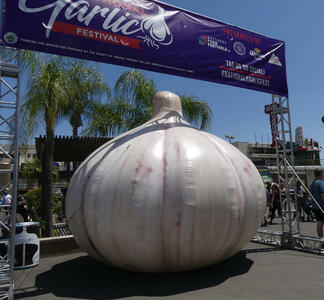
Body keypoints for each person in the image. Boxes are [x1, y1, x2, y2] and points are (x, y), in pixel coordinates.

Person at [309, 169, 324, 238]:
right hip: (322, 206)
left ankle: (321, 240)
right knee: (320, 223)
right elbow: (323, 195)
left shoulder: (311, 184)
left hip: (315, 206)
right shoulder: (320, 183)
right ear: (321, 174)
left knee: (319, 223)